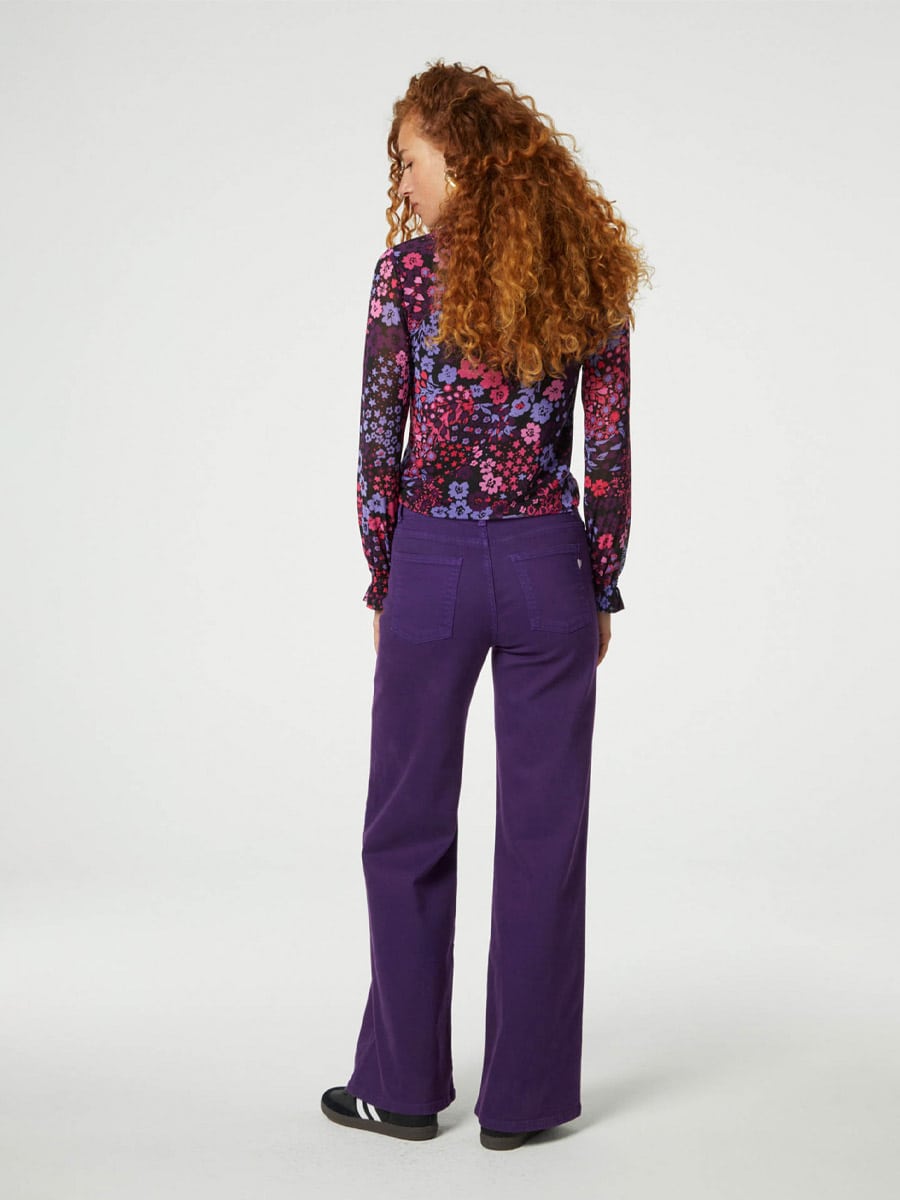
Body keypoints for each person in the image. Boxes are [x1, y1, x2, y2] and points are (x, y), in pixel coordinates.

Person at [321, 60, 651, 1151]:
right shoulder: (586, 268)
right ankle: (525, 1101)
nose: (403, 183)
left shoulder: (406, 277)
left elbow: (380, 444)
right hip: (549, 565)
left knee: (406, 822)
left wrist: (385, 572)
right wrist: (599, 578)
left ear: (459, 156)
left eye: (411, 160)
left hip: (433, 563)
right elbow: (608, 452)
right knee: (546, 836)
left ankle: (403, 1084)